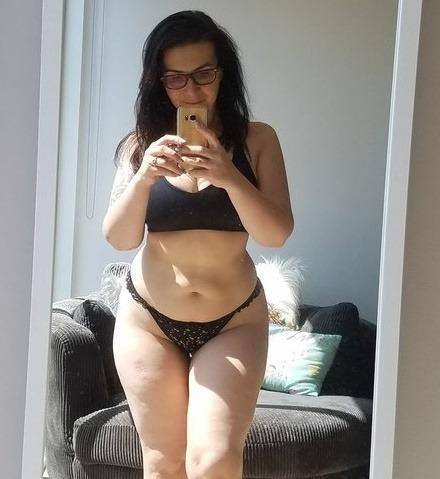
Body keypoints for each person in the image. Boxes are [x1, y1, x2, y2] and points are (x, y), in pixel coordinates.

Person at [102, 10, 294, 479]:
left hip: (234, 322)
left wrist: (229, 176)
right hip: (149, 321)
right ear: (159, 83)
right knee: (163, 464)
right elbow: (119, 239)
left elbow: (275, 233)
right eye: (176, 78)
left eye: (204, 74)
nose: (191, 90)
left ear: (223, 73)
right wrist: (144, 177)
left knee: (214, 460)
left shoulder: (257, 140)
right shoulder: (140, 146)